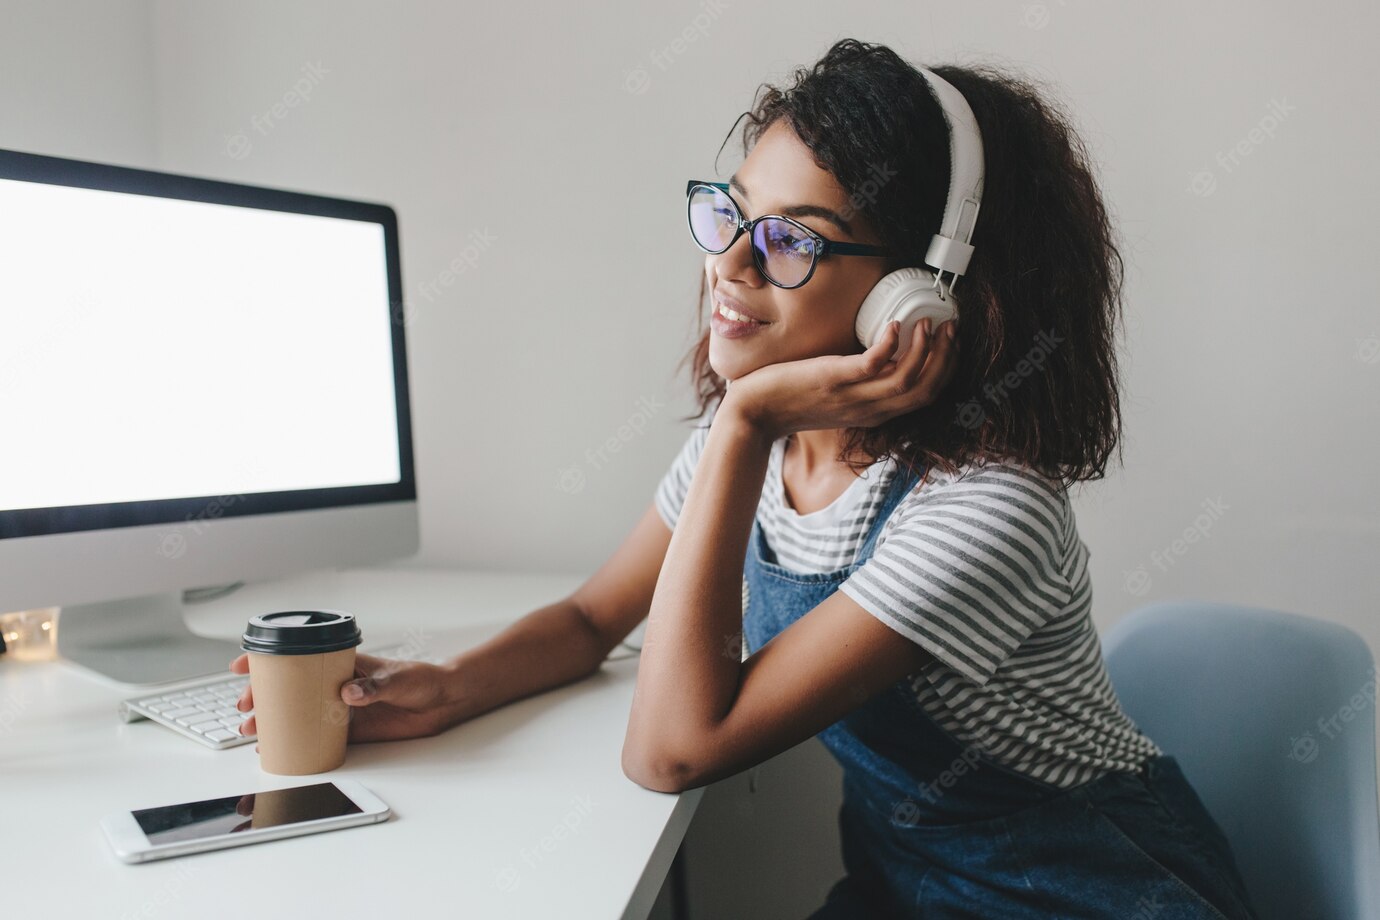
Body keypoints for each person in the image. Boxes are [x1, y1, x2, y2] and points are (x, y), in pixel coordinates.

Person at [231, 38, 1260, 919]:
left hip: (1080, 894)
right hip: (913, 886)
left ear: (921, 295)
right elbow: (595, 617)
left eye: (791, 241)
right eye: (730, 214)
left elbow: (674, 749)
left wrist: (748, 420)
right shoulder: (754, 445)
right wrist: (442, 689)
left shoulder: (985, 512)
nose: (731, 263)